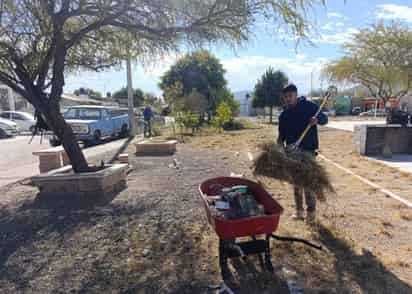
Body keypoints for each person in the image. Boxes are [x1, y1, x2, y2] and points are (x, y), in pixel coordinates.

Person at [277, 84, 328, 224]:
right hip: (292, 152)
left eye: (290, 96)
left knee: (308, 183)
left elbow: (325, 119)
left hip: (308, 151)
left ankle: (311, 213)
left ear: (296, 94)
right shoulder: (284, 115)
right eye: (285, 97)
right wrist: (279, 149)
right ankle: (299, 212)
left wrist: (317, 120)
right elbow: (281, 136)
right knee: (296, 184)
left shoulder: (309, 107)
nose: (288, 99)